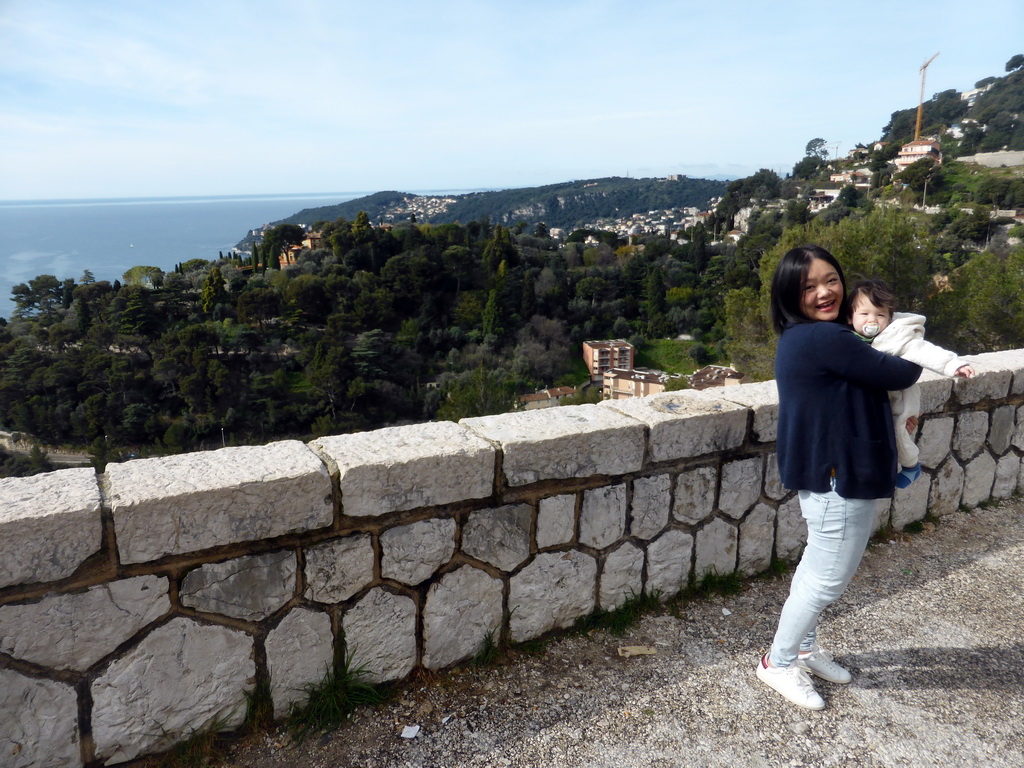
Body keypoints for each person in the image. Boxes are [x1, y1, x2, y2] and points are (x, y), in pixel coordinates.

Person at [758, 245, 922, 710]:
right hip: (838, 476)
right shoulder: (825, 339)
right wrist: (899, 328)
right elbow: (904, 371)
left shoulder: (803, 336)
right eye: (808, 286)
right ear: (790, 294)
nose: (825, 292)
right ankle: (778, 661)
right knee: (827, 578)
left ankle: (804, 648)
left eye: (831, 279)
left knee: (815, 567)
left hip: (823, 470)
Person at [847, 278, 976, 488]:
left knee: (899, 431)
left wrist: (953, 364)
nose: (872, 320)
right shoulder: (845, 337)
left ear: (889, 318)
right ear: (850, 315)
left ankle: (910, 466)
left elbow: (924, 350)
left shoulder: (898, 337)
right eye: (864, 314)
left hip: (901, 397)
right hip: (875, 404)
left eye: (880, 315)